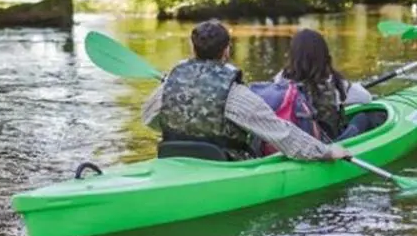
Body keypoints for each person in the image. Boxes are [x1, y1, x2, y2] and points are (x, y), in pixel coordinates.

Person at [141, 20, 351, 163]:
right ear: (226, 51)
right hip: (222, 164)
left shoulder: (169, 85)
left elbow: (148, 119)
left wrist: (189, 117)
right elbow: (281, 133)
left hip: (174, 158)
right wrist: (326, 152)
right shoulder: (234, 94)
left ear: (193, 49)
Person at [257, 29, 386, 144]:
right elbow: (366, 98)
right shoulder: (333, 83)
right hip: (330, 145)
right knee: (363, 117)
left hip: (293, 144)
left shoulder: (280, 80)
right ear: (324, 56)